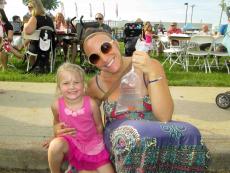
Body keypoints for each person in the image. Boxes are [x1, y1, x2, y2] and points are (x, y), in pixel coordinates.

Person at [54, 28, 210, 172]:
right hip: (121, 136)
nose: (104, 58)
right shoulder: (95, 85)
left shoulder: (148, 65)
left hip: (153, 132)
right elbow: (80, 116)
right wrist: (59, 131)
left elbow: (164, 116)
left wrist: (153, 72)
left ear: (115, 43)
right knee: (130, 134)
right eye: (95, 57)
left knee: (191, 132)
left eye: (105, 48)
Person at [48, 62, 115, 173]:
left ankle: (75, 168)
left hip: (92, 145)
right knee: (55, 146)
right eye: (66, 83)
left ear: (83, 84)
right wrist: (55, 134)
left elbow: (99, 126)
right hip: (71, 145)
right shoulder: (56, 106)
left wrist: (100, 146)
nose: (72, 87)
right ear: (59, 87)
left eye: (76, 82)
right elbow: (56, 123)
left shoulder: (91, 104)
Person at [23, 0, 55, 73]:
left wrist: (25, 25)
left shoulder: (34, 18)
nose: (28, 9)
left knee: (30, 45)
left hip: (36, 47)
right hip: (49, 47)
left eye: (30, 7)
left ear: (35, 7)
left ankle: (34, 67)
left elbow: (27, 32)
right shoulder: (49, 19)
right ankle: (42, 66)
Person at [0, 1, 14, 71]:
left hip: (6, 43)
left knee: (4, 47)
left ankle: (4, 68)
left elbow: (10, 39)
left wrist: (4, 39)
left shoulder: (8, 25)